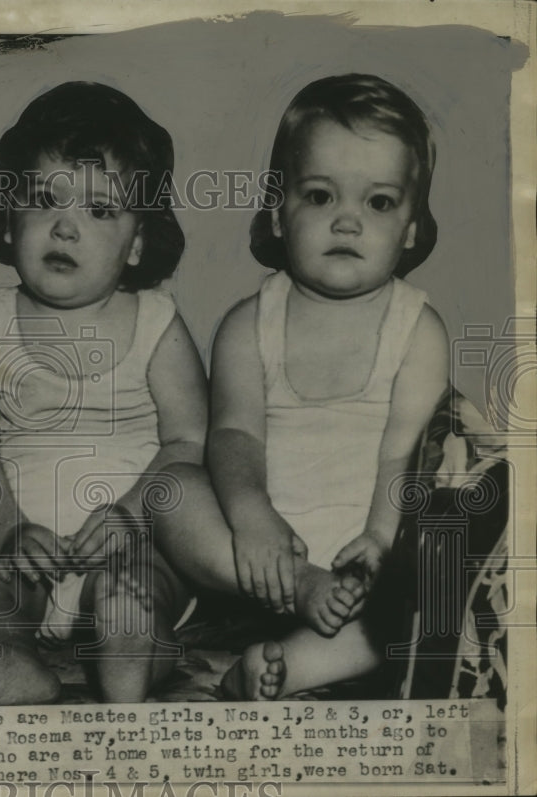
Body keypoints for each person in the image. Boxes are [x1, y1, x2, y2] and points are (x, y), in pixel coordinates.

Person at [153, 74, 449, 699]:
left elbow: (406, 454)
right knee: (172, 492)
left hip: (362, 562)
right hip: (258, 554)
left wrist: (377, 539)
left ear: (413, 229)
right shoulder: (247, 323)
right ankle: (299, 596)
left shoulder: (417, 329)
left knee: (411, 603)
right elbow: (233, 436)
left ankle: (280, 668)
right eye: (319, 196)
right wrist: (253, 518)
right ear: (278, 215)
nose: (347, 221)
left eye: (378, 203)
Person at [0, 82, 208, 704]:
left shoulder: (157, 324)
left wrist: (131, 514)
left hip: (132, 544)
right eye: (44, 200)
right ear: (10, 220)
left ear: (138, 241)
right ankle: (10, 661)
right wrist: (9, 530)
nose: (65, 227)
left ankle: (130, 664)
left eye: (99, 211)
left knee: (132, 598)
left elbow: (189, 443)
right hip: (21, 549)